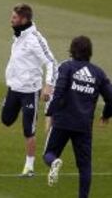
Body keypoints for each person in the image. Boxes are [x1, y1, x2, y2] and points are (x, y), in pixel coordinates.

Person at [44, 36, 112, 198]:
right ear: (89, 52)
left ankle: (55, 162)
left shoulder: (66, 67)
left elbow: (59, 91)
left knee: (49, 153)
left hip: (62, 121)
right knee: (84, 166)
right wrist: (106, 114)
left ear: (72, 51)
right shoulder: (98, 73)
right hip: (83, 126)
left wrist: (50, 113)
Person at [1, 3, 58, 177]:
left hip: (30, 92)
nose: (11, 19)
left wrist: (48, 85)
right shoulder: (18, 35)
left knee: (28, 129)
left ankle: (29, 167)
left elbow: (51, 63)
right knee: (6, 120)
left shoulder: (35, 39)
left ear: (24, 19)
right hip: (13, 88)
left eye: (15, 17)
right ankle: (7, 103)